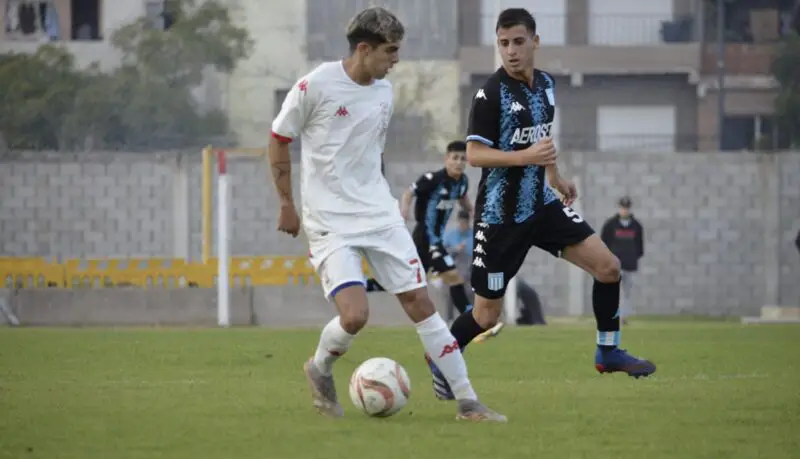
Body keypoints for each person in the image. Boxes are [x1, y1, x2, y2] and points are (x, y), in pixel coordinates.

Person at [267, 6, 505, 422]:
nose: (396, 60)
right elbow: (278, 138)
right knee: (356, 316)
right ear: (364, 48)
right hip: (329, 221)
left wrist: (382, 204)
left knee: (421, 304)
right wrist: (286, 203)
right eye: (390, 51)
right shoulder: (315, 86)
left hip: (378, 215)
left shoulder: (384, 91)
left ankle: (468, 402)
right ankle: (319, 368)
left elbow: (369, 153)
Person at [425, 7, 656, 402]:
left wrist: (555, 177)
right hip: (499, 219)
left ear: (535, 41)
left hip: (542, 206)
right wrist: (524, 157)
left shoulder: (546, 85)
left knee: (608, 267)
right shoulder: (490, 95)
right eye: (503, 44)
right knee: (485, 316)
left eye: (518, 42)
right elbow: (476, 155)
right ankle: (441, 357)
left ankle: (608, 351)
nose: (511, 51)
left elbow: (542, 142)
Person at [397, 141, 503, 340]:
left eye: (463, 158)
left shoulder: (462, 181)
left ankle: (471, 324)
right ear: (446, 159)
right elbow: (408, 192)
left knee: (414, 282)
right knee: (449, 278)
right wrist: (404, 211)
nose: (459, 162)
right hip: (425, 238)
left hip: (436, 240)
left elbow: (462, 198)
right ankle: (474, 323)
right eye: (454, 158)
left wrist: (473, 211)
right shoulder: (433, 179)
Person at [600, 197, 644, 323]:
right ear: (619, 208)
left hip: (629, 264)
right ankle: (612, 315)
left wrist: (633, 257)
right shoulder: (610, 225)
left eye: (627, 208)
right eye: (622, 207)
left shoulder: (636, 226)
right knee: (613, 292)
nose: (624, 210)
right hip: (614, 265)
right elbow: (604, 243)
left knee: (627, 292)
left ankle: (623, 317)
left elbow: (640, 247)